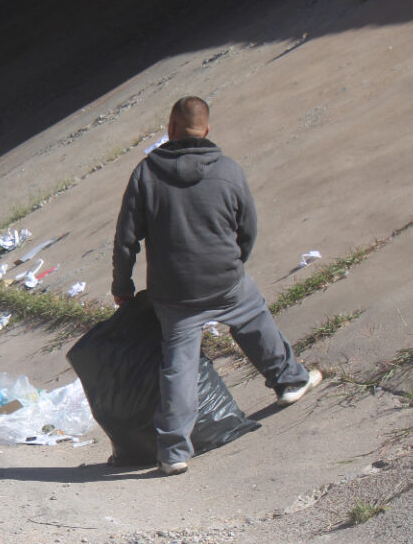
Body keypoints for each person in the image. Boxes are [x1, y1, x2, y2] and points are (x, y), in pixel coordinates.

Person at [111, 96, 322, 476]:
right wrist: (234, 262)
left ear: (170, 130)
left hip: (175, 293)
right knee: (254, 317)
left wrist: (122, 284)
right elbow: (248, 228)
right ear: (206, 131)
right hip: (225, 278)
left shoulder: (145, 174)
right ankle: (289, 381)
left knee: (179, 367)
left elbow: (126, 239)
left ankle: (174, 451)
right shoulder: (228, 170)